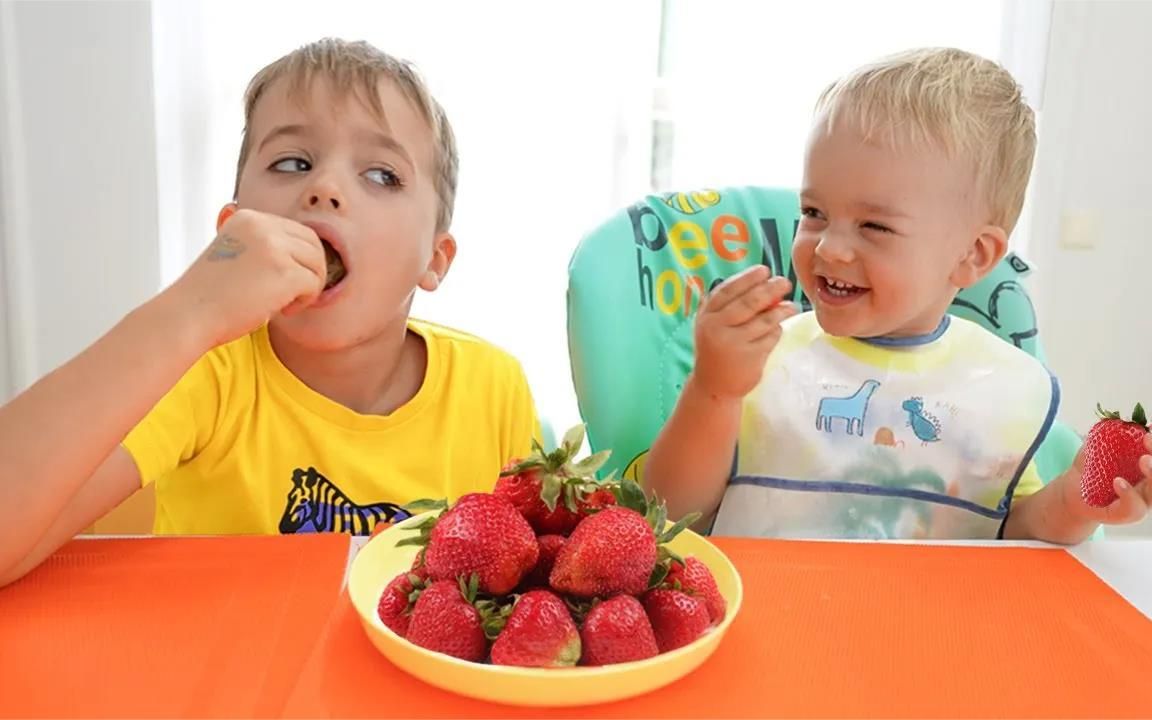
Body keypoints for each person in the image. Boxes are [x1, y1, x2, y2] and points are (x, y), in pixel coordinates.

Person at [0, 38, 539, 586]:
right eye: (292, 162)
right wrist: (191, 308)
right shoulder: (205, 372)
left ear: (434, 259)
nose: (324, 188)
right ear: (235, 229)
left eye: (382, 175)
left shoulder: (493, 389)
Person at [644, 47, 1152, 542]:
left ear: (973, 255)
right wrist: (715, 389)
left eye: (874, 226)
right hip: (775, 615)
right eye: (815, 212)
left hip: (937, 623)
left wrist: (1072, 504)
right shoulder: (757, 360)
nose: (829, 247)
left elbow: (1008, 532)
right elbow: (665, 516)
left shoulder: (994, 386)